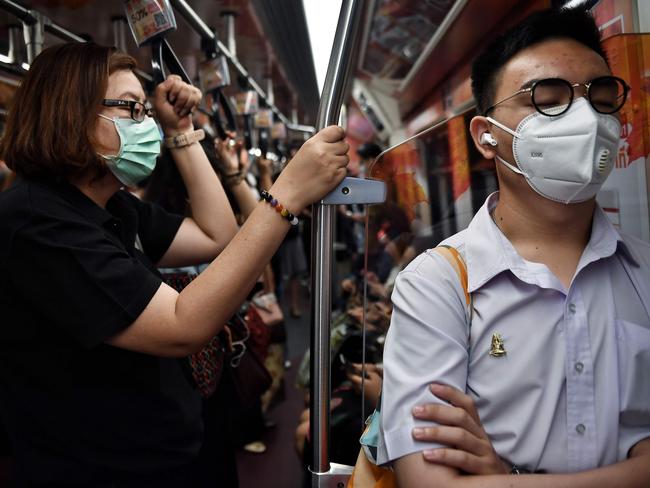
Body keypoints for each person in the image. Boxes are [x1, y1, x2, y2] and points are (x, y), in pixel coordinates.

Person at [0, 42, 349, 486]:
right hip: (100, 470)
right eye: (132, 109)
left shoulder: (115, 207)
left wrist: (180, 131)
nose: (146, 126)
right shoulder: (38, 223)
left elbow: (216, 235)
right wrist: (287, 196)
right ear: (72, 113)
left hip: (162, 450)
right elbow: (181, 324)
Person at [376, 8, 650, 487]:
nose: (586, 118)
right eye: (547, 98)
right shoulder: (436, 285)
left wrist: (507, 476)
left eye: (600, 96)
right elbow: (429, 483)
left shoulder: (646, 270)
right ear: (486, 136)